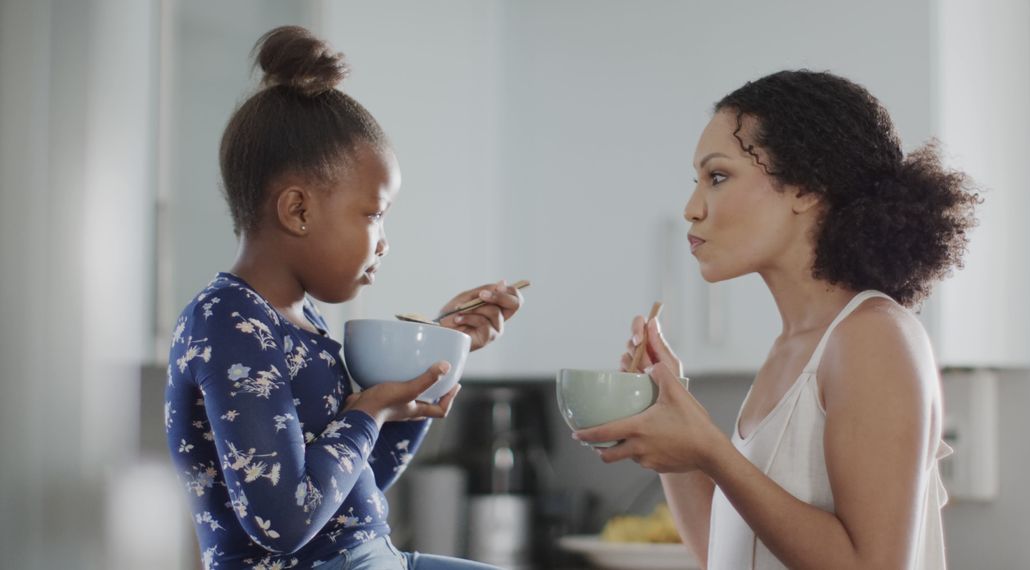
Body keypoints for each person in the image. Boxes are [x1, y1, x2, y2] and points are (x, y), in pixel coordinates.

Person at [573, 70, 979, 569]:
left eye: (717, 177)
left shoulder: (873, 336)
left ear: (806, 188)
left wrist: (712, 452)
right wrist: (670, 415)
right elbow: (722, 553)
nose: (691, 208)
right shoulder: (793, 348)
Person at [165, 26, 522, 570]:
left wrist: (433, 369)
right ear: (298, 211)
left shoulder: (303, 320)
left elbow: (358, 486)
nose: (384, 242)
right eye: (375, 215)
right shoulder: (227, 321)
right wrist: (370, 412)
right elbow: (283, 524)